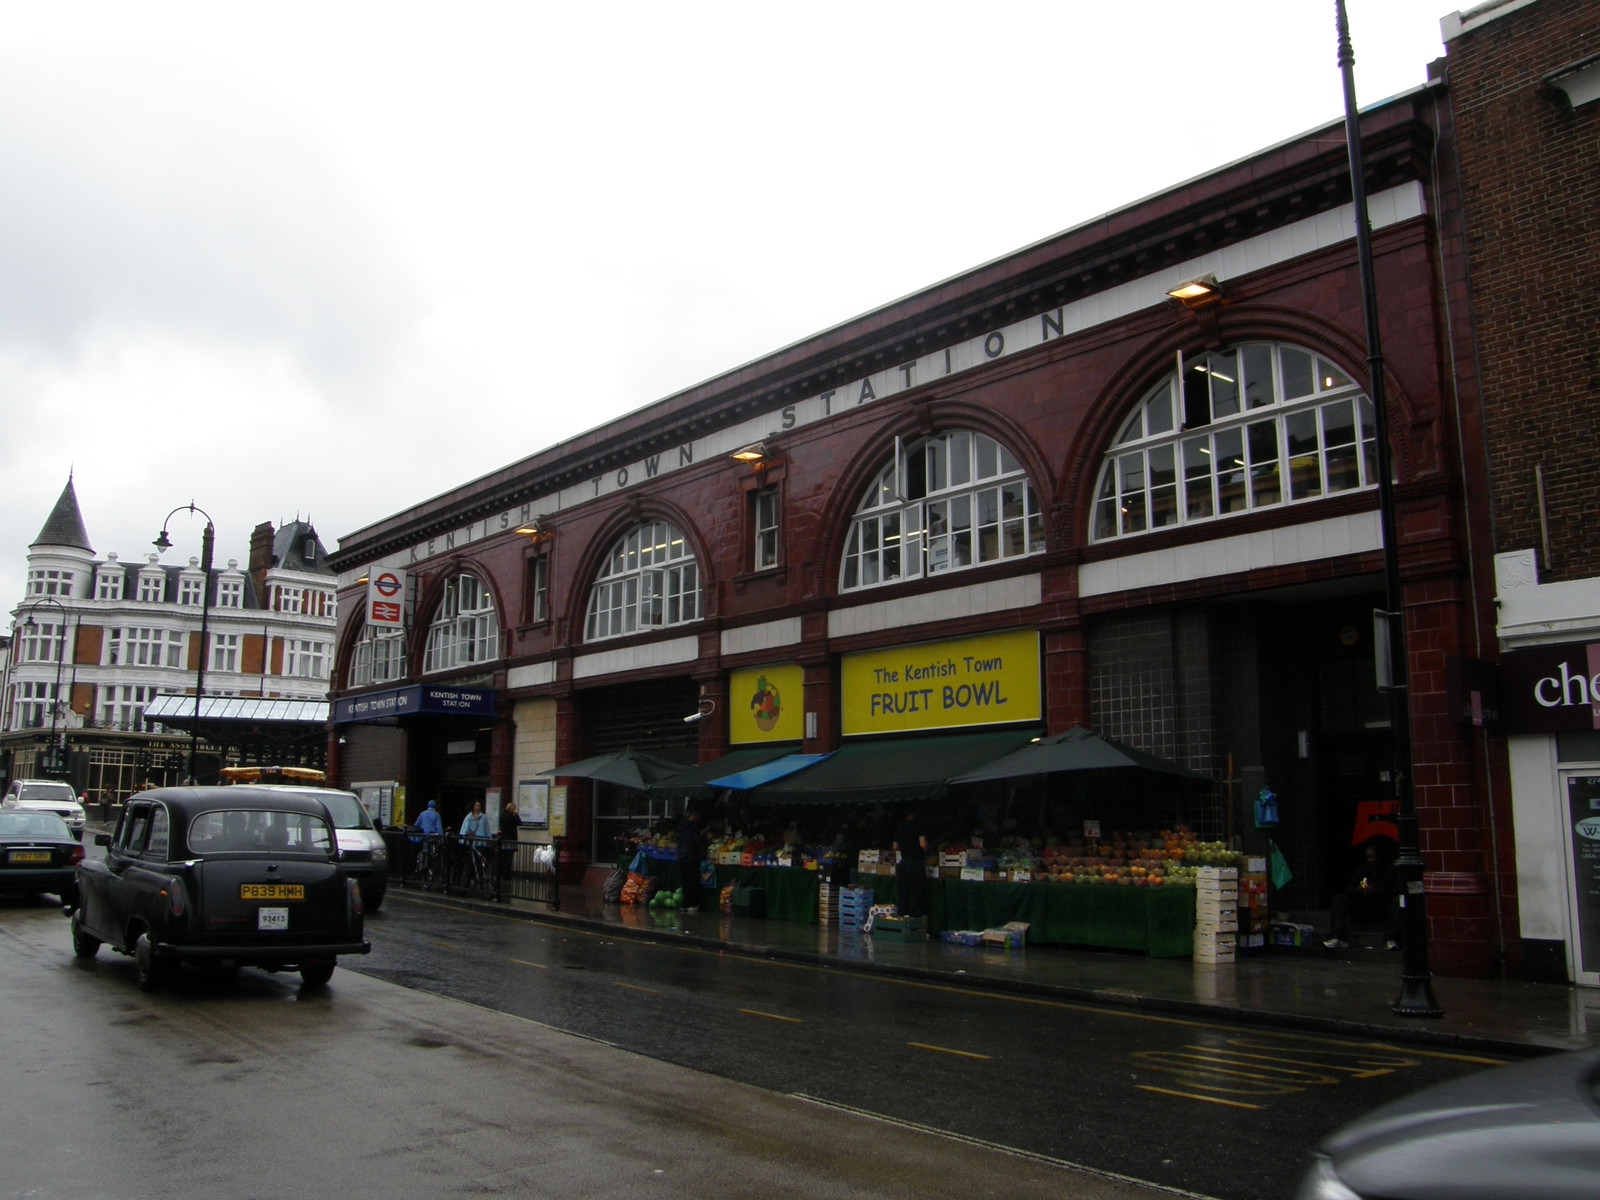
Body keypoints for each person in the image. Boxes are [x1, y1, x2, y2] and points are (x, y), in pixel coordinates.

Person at [1324, 839, 1401, 950]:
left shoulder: (1389, 872)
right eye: (1368, 857)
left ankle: (1390, 939)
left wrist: (1375, 891)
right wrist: (1358, 890)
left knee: (1398, 900)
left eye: (1373, 857)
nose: (1370, 860)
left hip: (1382, 903)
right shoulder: (1362, 870)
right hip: (1363, 902)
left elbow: (1394, 890)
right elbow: (1348, 889)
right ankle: (1338, 937)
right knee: (1339, 899)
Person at [892, 807, 929, 919]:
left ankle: (901, 918)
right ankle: (913, 921)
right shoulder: (919, 825)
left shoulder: (900, 826)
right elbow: (923, 844)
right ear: (917, 812)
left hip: (903, 863)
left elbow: (895, 846)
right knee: (915, 893)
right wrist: (928, 848)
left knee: (903, 893)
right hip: (915, 863)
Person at [676, 805, 706, 913]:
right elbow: (697, 842)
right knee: (693, 881)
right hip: (691, 856)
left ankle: (685, 904)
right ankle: (692, 904)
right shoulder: (694, 827)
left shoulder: (681, 826)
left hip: (681, 856)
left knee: (685, 881)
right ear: (695, 816)